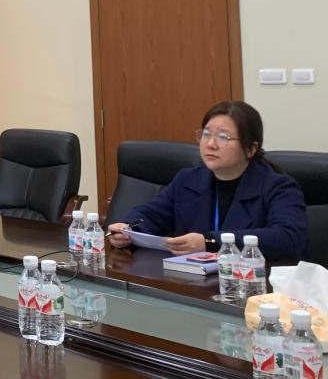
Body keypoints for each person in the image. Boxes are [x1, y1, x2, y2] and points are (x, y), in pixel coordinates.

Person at [107, 100, 307, 261]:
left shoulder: (278, 187)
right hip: (194, 282)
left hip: (253, 284)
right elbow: (151, 214)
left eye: (223, 137)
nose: (211, 144)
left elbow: (287, 238)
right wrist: (128, 229)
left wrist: (210, 242)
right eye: (206, 134)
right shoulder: (188, 179)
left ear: (251, 149)